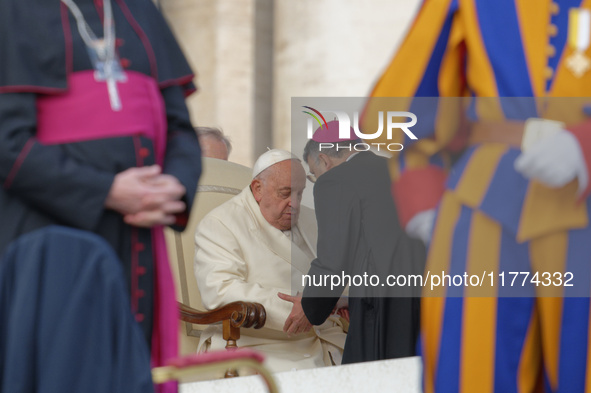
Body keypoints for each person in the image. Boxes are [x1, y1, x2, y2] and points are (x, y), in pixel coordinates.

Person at [363, 1, 591, 392]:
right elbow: (406, 100)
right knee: (469, 373)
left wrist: (585, 143)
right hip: (483, 206)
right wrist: (421, 195)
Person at [0, 1, 201, 391]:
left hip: (139, 236)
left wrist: (175, 184)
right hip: (50, 237)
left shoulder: (139, 10)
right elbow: (7, 143)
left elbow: (180, 128)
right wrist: (105, 191)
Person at [194, 149, 347, 373]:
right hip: (260, 343)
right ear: (258, 189)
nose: (294, 204)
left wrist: (329, 301)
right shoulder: (220, 224)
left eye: (299, 193)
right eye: (285, 193)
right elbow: (221, 289)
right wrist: (301, 309)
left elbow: (344, 270)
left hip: (324, 337)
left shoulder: (312, 218)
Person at [293, 121, 425, 364]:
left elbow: (333, 259)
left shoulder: (334, 181)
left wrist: (310, 306)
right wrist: (347, 298)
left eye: (314, 173)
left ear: (323, 159)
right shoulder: (397, 169)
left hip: (382, 307)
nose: (317, 179)